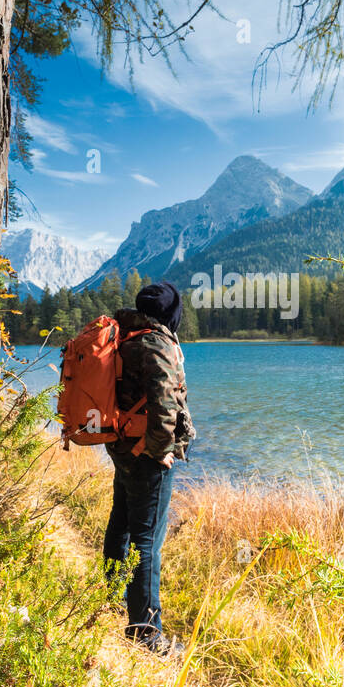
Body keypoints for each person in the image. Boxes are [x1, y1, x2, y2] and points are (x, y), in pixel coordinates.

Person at [104, 281, 195, 656]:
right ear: (170, 314)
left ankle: (109, 597)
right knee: (148, 541)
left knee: (121, 522)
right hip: (147, 455)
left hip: (121, 446)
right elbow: (164, 405)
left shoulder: (125, 338)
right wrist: (160, 450)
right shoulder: (158, 344)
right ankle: (146, 634)